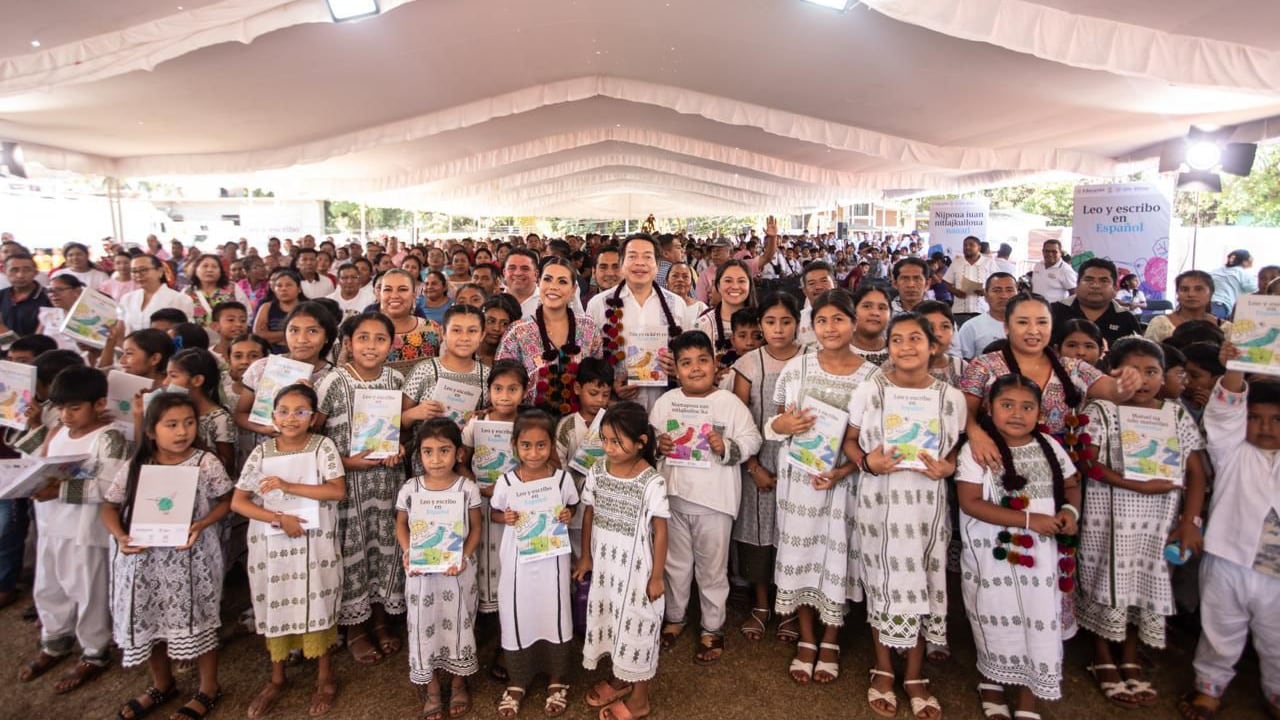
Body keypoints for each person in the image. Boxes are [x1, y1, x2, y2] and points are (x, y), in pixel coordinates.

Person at [1074, 339, 1207, 709]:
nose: (1143, 380)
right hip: (1108, 518)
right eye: (1132, 371)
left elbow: (1197, 471)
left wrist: (1190, 521)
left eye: (1152, 372)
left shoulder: (1175, 414)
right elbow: (1087, 462)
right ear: (1112, 372)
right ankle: (1102, 654)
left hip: (1157, 522)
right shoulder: (1101, 411)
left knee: (1143, 582)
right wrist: (1134, 484)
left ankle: (1130, 655)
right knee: (1106, 579)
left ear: (1164, 377)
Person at [845, 313, 965, 720]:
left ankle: (914, 674)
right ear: (888, 348)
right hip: (879, 501)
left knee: (922, 584)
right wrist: (867, 462)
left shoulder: (951, 398)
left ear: (934, 346)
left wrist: (949, 466)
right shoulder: (870, 390)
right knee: (882, 581)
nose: (906, 347)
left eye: (916, 338)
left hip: (927, 507)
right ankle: (882, 668)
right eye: (897, 339)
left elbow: (954, 447)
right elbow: (849, 441)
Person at [955, 374, 1081, 720]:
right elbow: (970, 501)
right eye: (1007, 405)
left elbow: (1071, 485)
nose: (1016, 414)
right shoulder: (977, 450)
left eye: (1027, 407)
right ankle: (992, 680)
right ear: (989, 408)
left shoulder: (1050, 445)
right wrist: (1028, 520)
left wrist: (1070, 512)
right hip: (993, 557)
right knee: (994, 617)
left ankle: (1029, 699)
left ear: (1040, 412)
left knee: (1041, 622)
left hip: (1043, 560)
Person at [101, 393, 232, 720]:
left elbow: (227, 501)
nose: (182, 431)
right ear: (150, 430)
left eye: (189, 423)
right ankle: (162, 683)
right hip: (143, 559)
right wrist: (120, 536)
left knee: (199, 617)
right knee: (151, 616)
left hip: (190, 558)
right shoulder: (137, 466)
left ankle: (209, 687)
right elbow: (109, 507)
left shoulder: (205, 462)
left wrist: (202, 523)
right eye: (171, 425)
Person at [769, 290, 876, 684]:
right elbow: (776, 424)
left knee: (837, 554)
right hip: (800, 480)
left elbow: (871, 440)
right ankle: (807, 636)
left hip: (845, 483)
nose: (830, 328)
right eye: (822, 321)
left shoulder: (872, 377)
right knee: (800, 551)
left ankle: (831, 637)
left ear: (854, 323)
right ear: (811, 326)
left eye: (838, 319)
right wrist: (784, 425)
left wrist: (843, 471)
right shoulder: (797, 368)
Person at [1178, 343, 1280, 720]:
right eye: (1255, 418)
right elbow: (1225, 413)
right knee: (1220, 628)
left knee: (1277, 637)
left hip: (1276, 572)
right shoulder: (1232, 451)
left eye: (1277, 419)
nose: (1265, 427)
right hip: (1228, 558)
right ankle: (1209, 688)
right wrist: (1236, 364)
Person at [231, 383, 346, 719]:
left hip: (314, 538)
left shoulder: (322, 446)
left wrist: (287, 486)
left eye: (300, 411)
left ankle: (324, 676)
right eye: (283, 411)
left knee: (317, 596)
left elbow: (336, 490)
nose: (291, 418)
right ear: (273, 415)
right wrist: (279, 518)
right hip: (272, 540)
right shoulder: (262, 452)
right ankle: (277, 678)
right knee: (276, 599)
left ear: (313, 417)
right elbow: (239, 502)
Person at [650, 331, 761, 665]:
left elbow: (753, 439)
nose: (695, 368)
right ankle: (675, 617)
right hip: (673, 498)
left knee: (712, 568)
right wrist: (659, 446)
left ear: (715, 364)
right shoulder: (666, 402)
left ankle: (712, 626)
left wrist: (725, 446)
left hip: (715, 502)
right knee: (675, 564)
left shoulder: (729, 403)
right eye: (686, 363)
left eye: (702, 360)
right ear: (676, 369)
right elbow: (651, 440)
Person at [18, 366, 126, 694]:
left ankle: (94, 650)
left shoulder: (110, 437)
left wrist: (58, 490)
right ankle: (55, 640)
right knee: (49, 585)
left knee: (88, 589)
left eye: (75, 408)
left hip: (86, 530)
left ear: (99, 404)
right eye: (61, 408)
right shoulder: (56, 432)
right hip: (51, 523)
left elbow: (109, 487)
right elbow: (36, 464)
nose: (66, 415)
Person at [314, 312, 408, 665]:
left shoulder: (395, 379)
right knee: (353, 551)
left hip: (386, 482)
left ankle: (381, 620)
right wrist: (343, 462)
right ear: (348, 344)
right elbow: (311, 436)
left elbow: (403, 430)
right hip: (347, 486)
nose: (371, 346)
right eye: (363, 338)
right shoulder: (332, 382)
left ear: (390, 344)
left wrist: (400, 448)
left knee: (384, 548)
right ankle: (356, 627)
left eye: (380, 339)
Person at [962, 294, 1143, 468]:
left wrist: (1126, 384)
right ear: (1007, 327)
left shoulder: (1072, 368)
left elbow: (1112, 390)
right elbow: (964, 411)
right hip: (997, 457)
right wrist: (976, 434)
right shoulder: (984, 365)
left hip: (1061, 465)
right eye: (1023, 322)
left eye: (1042, 322)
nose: (1033, 330)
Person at [574, 402, 669, 720]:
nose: (609, 447)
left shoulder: (652, 481)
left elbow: (661, 530)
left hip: (636, 571)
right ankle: (620, 679)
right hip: (606, 568)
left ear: (641, 442)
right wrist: (586, 557)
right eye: (604, 440)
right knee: (612, 621)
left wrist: (657, 576)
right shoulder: (598, 470)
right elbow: (589, 513)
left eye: (617, 441)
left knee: (637, 628)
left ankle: (640, 700)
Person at [491, 411, 579, 718]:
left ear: (551, 445)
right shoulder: (506, 481)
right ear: (515, 445)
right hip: (518, 563)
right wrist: (505, 517)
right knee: (518, 614)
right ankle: (518, 680)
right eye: (526, 445)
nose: (533, 453)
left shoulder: (561, 479)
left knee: (555, 612)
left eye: (541, 445)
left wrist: (567, 514)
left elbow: (572, 505)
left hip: (553, 561)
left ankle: (557, 678)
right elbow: (494, 512)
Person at [395, 418, 483, 720]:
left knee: (460, 621)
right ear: (419, 454)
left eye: (444, 451)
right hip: (422, 576)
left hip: (457, 573)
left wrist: (464, 557)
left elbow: (476, 528)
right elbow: (401, 525)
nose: (436, 459)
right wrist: (408, 551)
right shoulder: (411, 488)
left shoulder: (467, 488)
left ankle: (459, 682)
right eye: (428, 452)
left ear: (459, 453)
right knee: (423, 624)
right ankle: (431, 687)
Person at [730, 293, 802, 642]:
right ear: (761, 325)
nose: (778, 329)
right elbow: (738, 420)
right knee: (758, 533)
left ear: (798, 324)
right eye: (771, 322)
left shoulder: (810, 359)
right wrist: (753, 466)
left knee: (793, 533)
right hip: (758, 462)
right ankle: (761, 605)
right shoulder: (748, 364)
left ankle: (789, 608)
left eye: (786, 321)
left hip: (800, 463)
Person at [587, 233, 695, 412]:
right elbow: (590, 361)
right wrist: (610, 384)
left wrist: (677, 366)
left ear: (657, 265)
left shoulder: (676, 305)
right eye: (632, 256)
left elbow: (689, 354)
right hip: (616, 410)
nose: (640, 263)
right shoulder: (598, 304)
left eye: (647, 257)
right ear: (622, 264)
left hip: (666, 408)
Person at [461, 360, 529, 617]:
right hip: (481, 503)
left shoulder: (527, 423)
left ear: (524, 392)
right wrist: (479, 488)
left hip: (514, 506)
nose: (505, 396)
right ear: (489, 390)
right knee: (482, 554)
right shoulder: (477, 423)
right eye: (498, 389)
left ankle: (509, 612)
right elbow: (462, 462)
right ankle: (484, 615)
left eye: (513, 389)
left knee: (508, 555)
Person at [496, 257, 602, 411]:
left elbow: (598, 376)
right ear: (539, 283)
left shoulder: (588, 327)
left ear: (573, 290)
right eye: (548, 279)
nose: (553, 287)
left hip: (579, 419)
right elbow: (501, 380)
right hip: (530, 419)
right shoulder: (517, 332)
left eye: (562, 282)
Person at [234, 302, 336, 441]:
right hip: (265, 449)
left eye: (312, 331)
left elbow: (328, 427)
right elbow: (240, 414)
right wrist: (264, 429)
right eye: (294, 330)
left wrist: (310, 398)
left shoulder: (333, 378)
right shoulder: (262, 367)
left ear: (327, 337)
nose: (301, 339)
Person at [403, 304, 490, 443]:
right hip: (426, 454)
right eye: (456, 330)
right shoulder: (424, 370)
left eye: (472, 331)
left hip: (468, 454)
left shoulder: (487, 376)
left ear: (482, 335)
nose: (464, 337)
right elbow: (399, 422)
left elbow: (495, 418)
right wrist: (414, 413)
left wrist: (484, 417)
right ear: (443, 333)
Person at [553, 358, 613, 559]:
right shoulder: (567, 425)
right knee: (578, 558)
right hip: (576, 508)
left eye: (606, 395)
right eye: (593, 393)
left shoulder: (613, 423)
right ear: (578, 388)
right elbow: (558, 464)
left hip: (605, 506)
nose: (600, 400)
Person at [164, 348, 236, 473]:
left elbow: (227, 465)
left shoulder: (220, 418)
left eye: (173, 376)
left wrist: (194, 440)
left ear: (197, 380)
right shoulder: (169, 412)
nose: (165, 382)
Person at [1049, 258, 1141, 349]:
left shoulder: (1126, 319)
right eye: (1089, 280)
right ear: (1077, 284)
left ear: (1115, 288)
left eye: (1104, 281)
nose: (1095, 285)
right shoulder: (1053, 312)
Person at [376, 268, 443, 373]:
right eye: (387, 289)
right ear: (380, 295)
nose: (394, 296)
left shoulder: (432, 328)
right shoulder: (365, 332)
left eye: (402, 289)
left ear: (413, 295)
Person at [694, 260, 757, 370]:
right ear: (718, 285)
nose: (735, 286)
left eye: (741, 281)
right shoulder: (702, 324)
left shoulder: (763, 321)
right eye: (728, 281)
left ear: (750, 285)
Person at [1144, 270, 1234, 344]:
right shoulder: (1160, 324)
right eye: (1184, 289)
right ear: (1177, 294)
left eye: (1198, 289)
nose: (1191, 294)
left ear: (1211, 293)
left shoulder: (1227, 328)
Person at [119, 254, 193, 334]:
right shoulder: (127, 299)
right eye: (134, 271)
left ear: (160, 271)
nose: (138, 275)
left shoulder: (180, 299)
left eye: (143, 270)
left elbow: (184, 333)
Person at [955, 272, 1018, 360]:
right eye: (997, 290)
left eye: (1009, 290)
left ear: (1018, 294)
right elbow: (964, 363)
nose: (1004, 296)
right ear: (986, 295)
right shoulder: (971, 327)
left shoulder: (1029, 325)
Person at [943, 236, 998, 324]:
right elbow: (946, 281)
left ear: (979, 247)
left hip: (982, 310)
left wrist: (986, 291)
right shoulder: (957, 262)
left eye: (971, 245)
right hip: (960, 311)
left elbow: (997, 283)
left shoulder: (989, 262)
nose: (967, 247)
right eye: (965, 245)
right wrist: (955, 291)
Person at [184, 254, 246, 332]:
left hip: (229, 336)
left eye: (214, 267)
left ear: (220, 271)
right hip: (197, 336)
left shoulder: (233, 288)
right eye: (205, 266)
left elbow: (246, 312)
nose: (209, 270)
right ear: (196, 270)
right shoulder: (187, 292)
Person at [252, 268, 306, 354]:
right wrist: (291, 334)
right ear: (274, 289)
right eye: (279, 286)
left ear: (299, 288)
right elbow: (258, 334)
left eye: (288, 285)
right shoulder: (266, 307)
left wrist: (272, 337)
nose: (283, 289)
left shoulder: (307, 308)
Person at [0, 252, 53, 339]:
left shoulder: (50, 297)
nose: (20, 275)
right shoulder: (2, 295)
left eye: (27, 270)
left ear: (36, 272)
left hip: (39, 346)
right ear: (4, 271)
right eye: (14, 270)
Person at [796, 260, 837, 347]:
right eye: (812, 283)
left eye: (824, 281)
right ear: (804, 291)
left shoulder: (850, 315)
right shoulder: (798, 320)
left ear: (835, 285)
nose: (818, 287)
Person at [1208, 249, 1256, 320]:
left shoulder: (1215, 271)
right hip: (1221, 306)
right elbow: (1255, 289)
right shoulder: (1243, 273)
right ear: (1245, 261)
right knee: (1212, 325)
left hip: (1205, 304)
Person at [478, 294, 519, 368]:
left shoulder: (513, 359)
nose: (497, 328)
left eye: (504, 324)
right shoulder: (466, 353)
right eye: (491, 321)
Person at [1030, 239, 1077, 303]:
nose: (1050, 254)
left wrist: (1065, 307)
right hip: (1036, 306)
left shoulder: (1066, 270)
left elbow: (1074, 293)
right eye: (1047, 251)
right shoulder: (1038, 265)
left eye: (1054, 251)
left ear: (1060, 253)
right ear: (1043, 252)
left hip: (1055, 308)